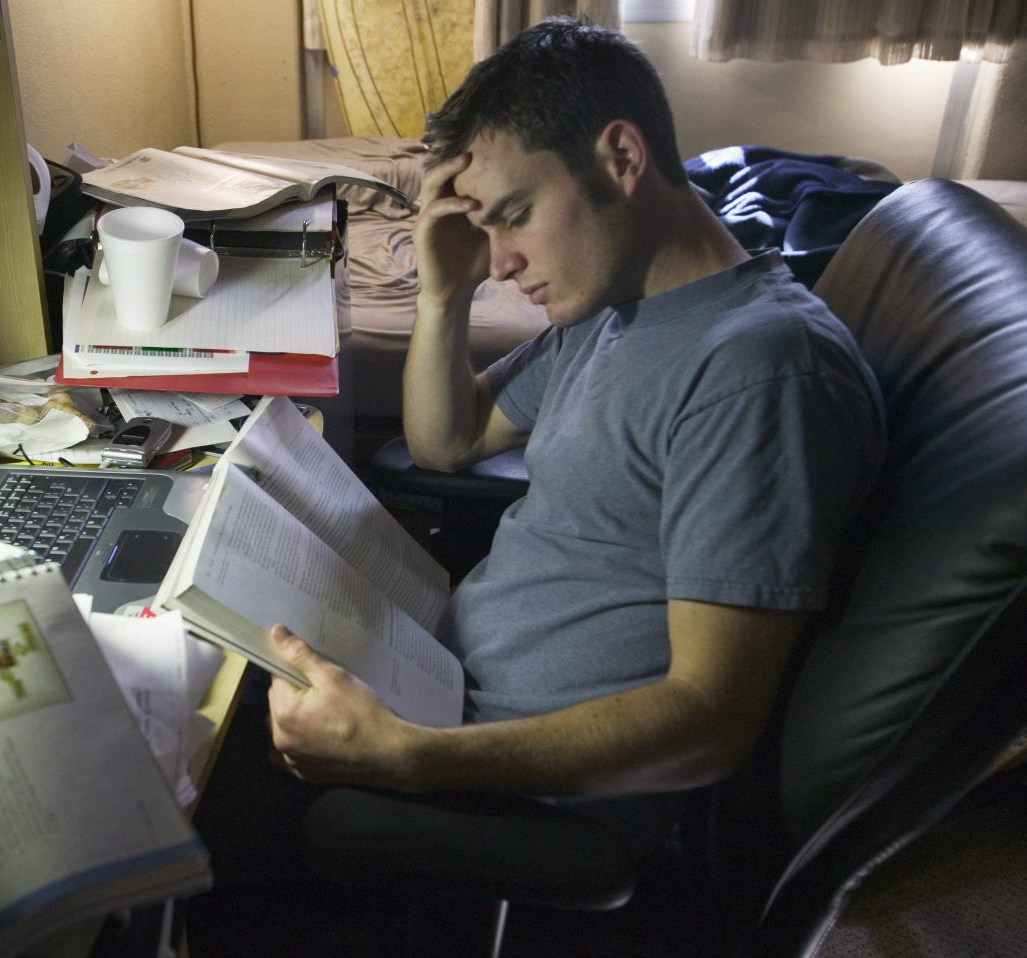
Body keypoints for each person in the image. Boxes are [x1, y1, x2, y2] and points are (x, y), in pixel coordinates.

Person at [187, 14, 885, 949]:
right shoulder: (620, 307)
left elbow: (710, 721)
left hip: (503, 776)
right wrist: (446, 292)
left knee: (166, 790)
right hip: (437, 681)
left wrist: (408, 758)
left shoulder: (759, 374)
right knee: (176, 674)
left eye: (514, 215)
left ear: (622, 157)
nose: (505, 262)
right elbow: (448, 440)